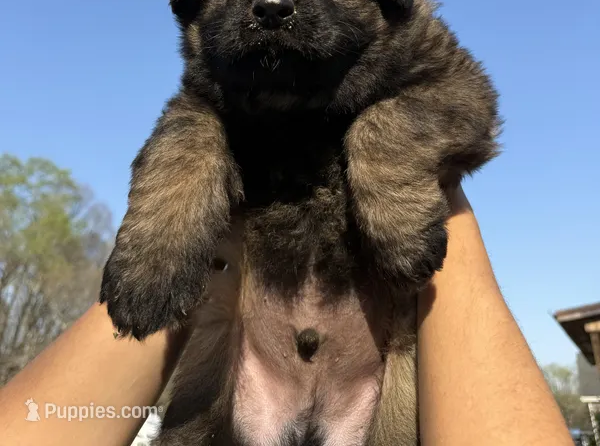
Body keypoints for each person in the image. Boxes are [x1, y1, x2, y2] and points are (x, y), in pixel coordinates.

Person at [0, 186, 573, 446]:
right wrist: (176, 248)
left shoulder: (408, 62)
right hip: (238, 370)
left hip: (379, 378)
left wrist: (419, 190)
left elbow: (465, 101)